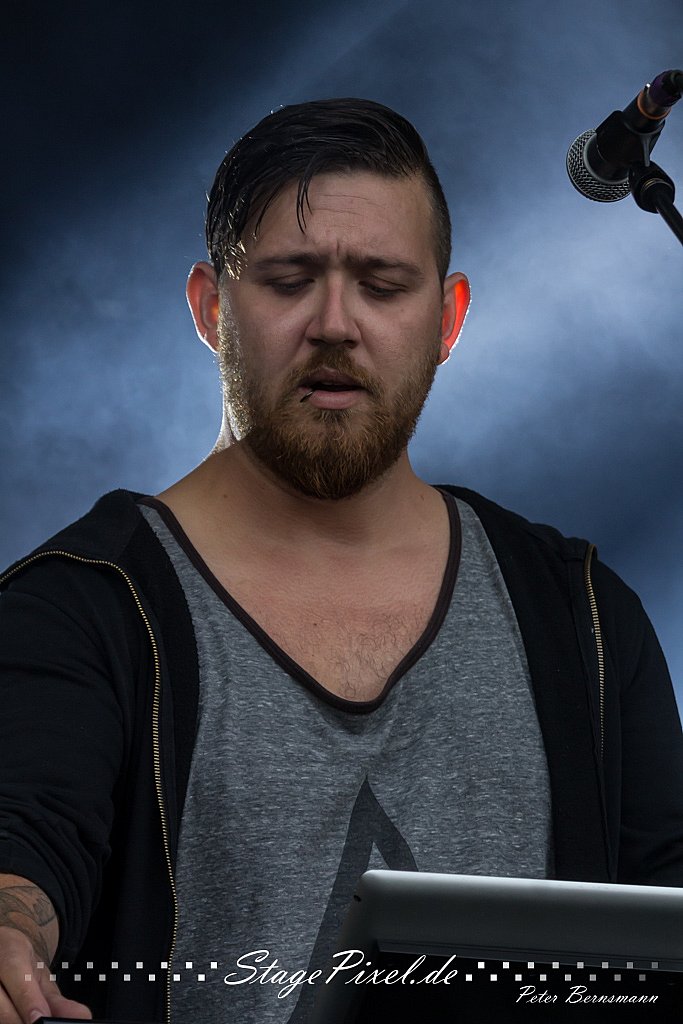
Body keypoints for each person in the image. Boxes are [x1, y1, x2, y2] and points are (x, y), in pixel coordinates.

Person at [1, 97, 682, 1024]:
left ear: (447, 320)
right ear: (210, 308)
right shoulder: (79, 608)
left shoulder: (582, 617)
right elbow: (25, 835)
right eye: (288, 280)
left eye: (381, 285)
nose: (334, 323)